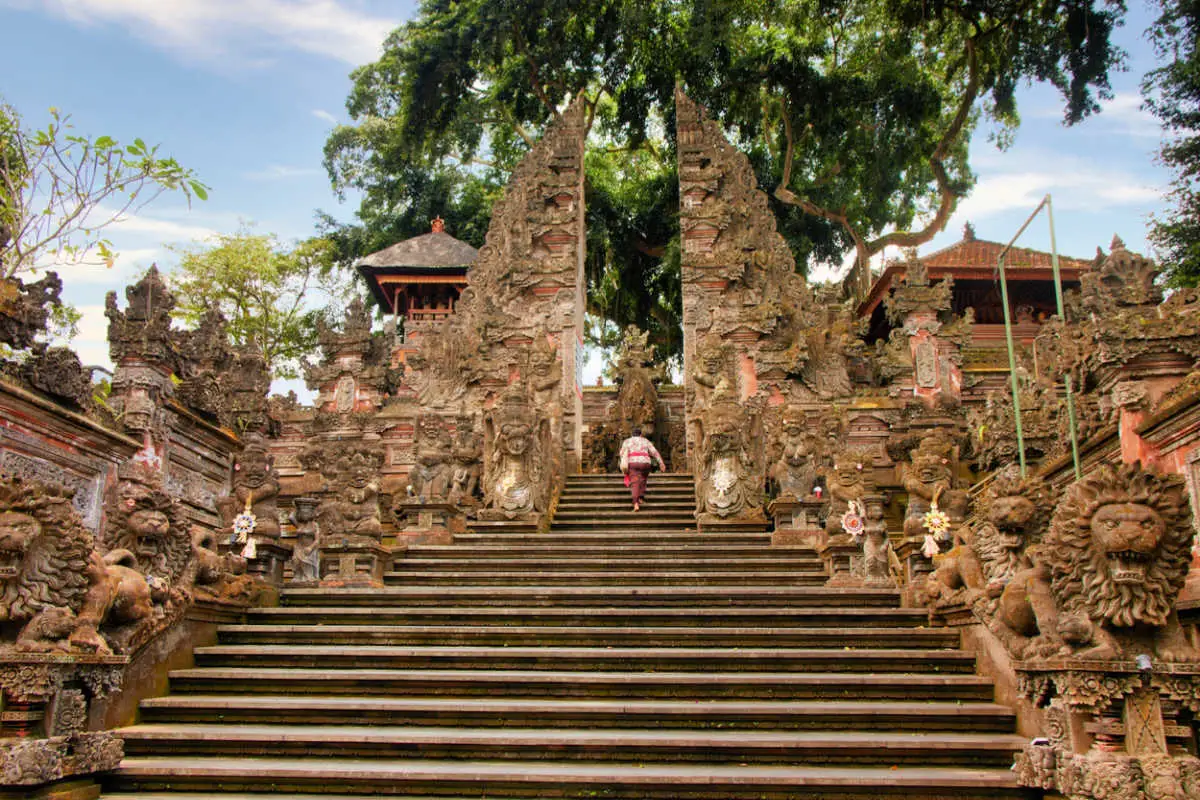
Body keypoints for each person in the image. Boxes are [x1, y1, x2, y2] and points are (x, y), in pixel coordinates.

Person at [619, 427, 666, 512]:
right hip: (645, 463)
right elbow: (654, 452)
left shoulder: (627, 441)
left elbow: (621, 453)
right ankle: (641, 497)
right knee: (643, 479)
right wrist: (661, 463)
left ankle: (636, 503)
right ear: (641, 434)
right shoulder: (645, 441)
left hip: (633, 463)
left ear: (632, 435)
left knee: (635, 482)